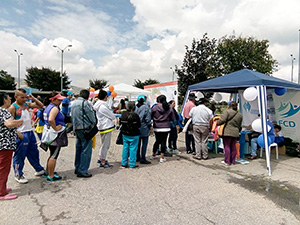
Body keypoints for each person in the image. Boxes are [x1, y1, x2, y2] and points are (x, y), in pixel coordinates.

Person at [9, 88, 45, 184]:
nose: (25, 99)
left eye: (26, 97)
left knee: (34, 152)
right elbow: (9, 122)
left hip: (30, 132)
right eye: (22, 97)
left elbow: (41, 106)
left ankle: (38, 169)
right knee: (20, 155)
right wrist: (16, 132)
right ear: (16, 97)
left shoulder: (26, 105)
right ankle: (18, 174)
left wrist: (33, 98)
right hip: (21, 133)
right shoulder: (13, 107)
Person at [0, 92, 23, 200]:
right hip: (5, 145)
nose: (10, 100)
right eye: (9, 98)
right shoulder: (4, 111)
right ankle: (1, 192)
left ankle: (2, 187)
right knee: (3, 168)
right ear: (4, 100)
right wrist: (19, 121)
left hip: (2, 144)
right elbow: (9, 124)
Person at [42, 92, 68, 182]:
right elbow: (50, 119)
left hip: (49, 132)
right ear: (53, 99)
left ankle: (47, 171)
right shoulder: (54, 108)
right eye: (59, 100)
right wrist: (56, 128)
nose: (61, 101)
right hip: (55, 134)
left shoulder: (48, 107)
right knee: (54, 155)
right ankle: (51, 176)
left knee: (51, 153)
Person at [71, 89, 96, 178]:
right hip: (85, 128)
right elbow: (91, 117)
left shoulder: (73, 103)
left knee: (79, 149)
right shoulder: (85, 104)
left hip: (77, 129)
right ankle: (83, 170)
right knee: (86, 150)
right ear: (88, 96)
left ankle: (77, 167)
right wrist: (94, 123)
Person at [150, 95, 175, 163]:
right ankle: (162, 157)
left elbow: (150, 116)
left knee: (157, 141)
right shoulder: (169, 108)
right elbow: (173, 118)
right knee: (164, 141)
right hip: (166, 127)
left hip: (157, 127)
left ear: (159, 100)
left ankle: (153, 154)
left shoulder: (155, 108)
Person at [93, 89, 115, 168]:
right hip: (106, 127)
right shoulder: (103, 106)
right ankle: (103, 161)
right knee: (106, 145)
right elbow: (112, 116)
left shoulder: (98, 105)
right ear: (105, 96)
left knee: (103, 144)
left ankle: (100, 157)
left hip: (103, 126)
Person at [120, 101, 141, 168]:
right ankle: (132, 164)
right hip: (134, 134)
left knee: (125, 148)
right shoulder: (135, 115)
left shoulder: (123, 114)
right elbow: (139, 125)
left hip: (125, 133)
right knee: (133, 149)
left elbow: (121, 123)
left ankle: (124, 162)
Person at [135, 95, 153, 164]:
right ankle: (143, 158)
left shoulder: (135, 107)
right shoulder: (145, 108)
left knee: (137, 144)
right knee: (144, 144)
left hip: (137, 127)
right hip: (144, 127)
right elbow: (148, 119)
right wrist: (150, 127)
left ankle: (137, 157)